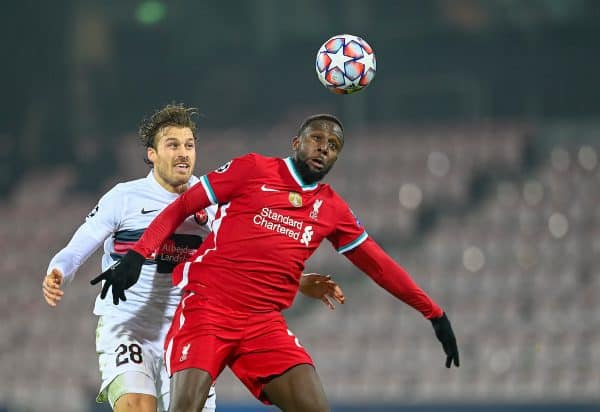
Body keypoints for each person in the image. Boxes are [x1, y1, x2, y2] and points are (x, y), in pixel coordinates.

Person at [92, 113, 459, 412]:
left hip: (263, 324)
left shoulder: (332, 209)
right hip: (207, 309)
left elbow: (378, 265)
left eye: (333, 146)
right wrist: (140, 253)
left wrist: (434, 313)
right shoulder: (253, 169)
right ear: (296, 142)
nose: (324, 148)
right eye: (317, 139)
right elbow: (185, 205)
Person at [42, 105, 346, 412]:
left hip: (189, 330)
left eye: (189, 145)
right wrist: (59, 270)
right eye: (172, 145)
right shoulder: (124, 197)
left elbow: (242, 267)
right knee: (136, 405)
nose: (183, 153)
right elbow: (82, 242)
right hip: (129, 326)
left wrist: (300, 281)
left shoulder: (212, 202)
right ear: (152, 154)